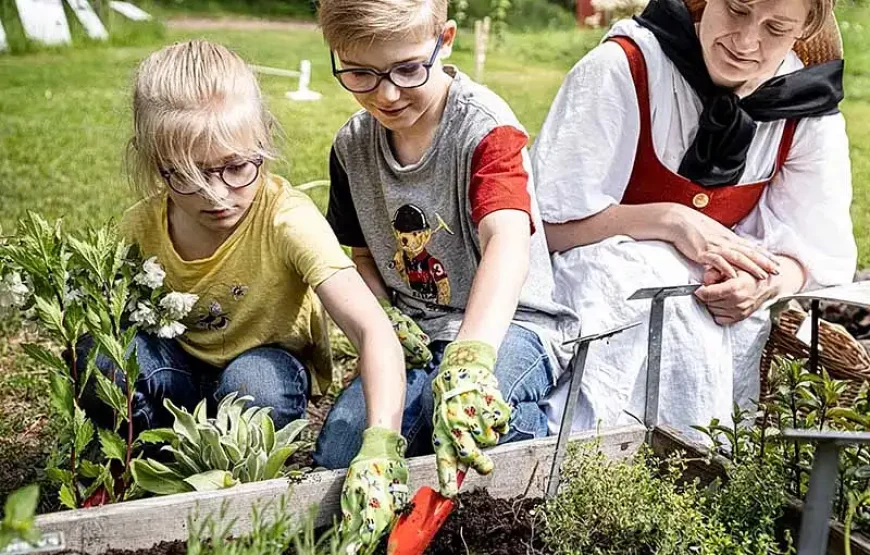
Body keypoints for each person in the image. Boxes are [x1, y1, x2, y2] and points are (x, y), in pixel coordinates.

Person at [81, 40, 409, 542]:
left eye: (237, 168)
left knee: (254, 384)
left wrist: (381, 439)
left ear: (263, 142)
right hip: (180, 378)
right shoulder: (139, 229)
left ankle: (235, 480)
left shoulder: (285, 218)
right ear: (154, 162)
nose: (217, 195)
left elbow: (372, 331)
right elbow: (112, 332)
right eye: (188, 175)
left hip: (264, 370)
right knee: (98, 355)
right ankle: (138, 470)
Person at [533, 0, 856, 441]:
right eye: (737, 10)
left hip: (711, 335)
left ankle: (694, 465)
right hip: (596, 316)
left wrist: (766, 284)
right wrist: (668, 220)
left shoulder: (804, 110)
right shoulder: (627, 68)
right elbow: (544, 228)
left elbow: (813, 254)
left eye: (776, 28)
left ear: (803, 30)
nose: (746, 42)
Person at [314, 0, 579, 513]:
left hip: (510, 325)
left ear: (446, 39)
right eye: (360, 74)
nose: (387, 94)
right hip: (412, 331)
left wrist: (472, 355)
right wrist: (384, 314)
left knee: (463, 421)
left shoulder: (485, 130)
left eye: (409, 69)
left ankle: (530, 442)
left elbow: (506, 239)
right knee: (341, 453)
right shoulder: (351, 145)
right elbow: (363, 253)